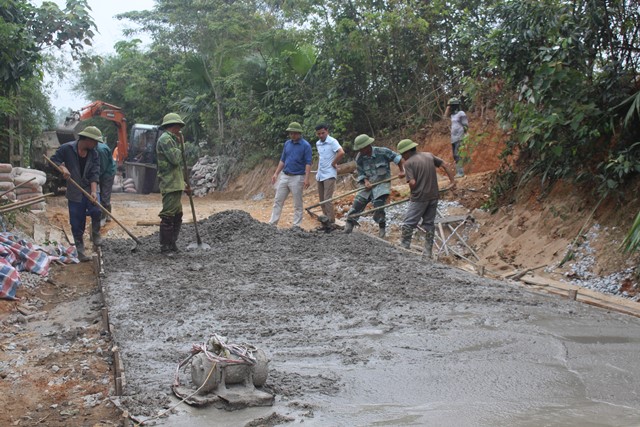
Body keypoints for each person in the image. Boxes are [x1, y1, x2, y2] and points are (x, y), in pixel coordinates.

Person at [50, 126, 103, 262]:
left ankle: (96, 234)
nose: (96, 144)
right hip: (74, 189)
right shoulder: (66, 149)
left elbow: (94, 173)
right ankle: (80, 250)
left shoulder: (94, 153)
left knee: (96, 209)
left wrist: (93, 191)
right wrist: (62, 168)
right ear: (87, 139)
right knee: (77, 221)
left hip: (88, 187)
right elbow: (53, 161)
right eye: (95, 141)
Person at [397, 139, 456, 257]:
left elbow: (412, 183)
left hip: (419, 197)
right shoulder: (428, 156)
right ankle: (428, 251)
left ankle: (404, 246)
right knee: (429, 223)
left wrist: (410, 187)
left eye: (402, 154)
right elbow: (445, 164)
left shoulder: (408, 164)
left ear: (407, 152)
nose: (402, 156)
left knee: (408, 223)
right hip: (433, 195)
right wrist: (452, 181)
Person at [344, 134, 405, 238]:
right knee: (358, 202)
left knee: (378, 204)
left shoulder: (383, 151)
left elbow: (398, 159)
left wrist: (402, 170)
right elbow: (361, 172)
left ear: (367, 146)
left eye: (361, 148)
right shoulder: (359, 157)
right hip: (367, 184)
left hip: (382, 183)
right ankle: (349, 223)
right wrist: (366, 181)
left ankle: (382, 228)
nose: (360, 151)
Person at [268, 122, 313, 228]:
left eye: (294, 133)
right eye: (290, 133)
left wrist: (307, 178)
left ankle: (296, 225)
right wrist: (276, 173)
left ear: (299, 133)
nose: (292, 135)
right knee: (278, 200)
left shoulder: (305, 146)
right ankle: (272, 223)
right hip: (285, 175)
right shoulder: (287, 144)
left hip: (298, 177)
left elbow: (308, 163)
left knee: (297, 203)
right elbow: (283, 160)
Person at [156, 113, 188, 254]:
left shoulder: (172, 139)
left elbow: (178, 165)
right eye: (178, 127)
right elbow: (175, 159)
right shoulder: (165, 139)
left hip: (176, 182)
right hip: (169, 183)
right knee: (168, 215)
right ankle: (165, 246)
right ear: (173, 126)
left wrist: (184, 183)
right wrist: (182, 145)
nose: (179, 130)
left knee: (178, 214)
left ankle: (172, 243)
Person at [314, 124, 344, 231]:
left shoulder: (332, 141)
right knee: (322, 200)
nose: (321, 135)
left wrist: (334, 163)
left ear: (327, 131)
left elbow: (341, 152)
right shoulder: (318, 143)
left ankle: (331, 222)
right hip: (321, 174)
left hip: (329, 174)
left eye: (323, 133)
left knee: (327, 199)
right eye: (319, 134)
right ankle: (325, 222)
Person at [445, 97, 468, 177]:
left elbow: (465, 125)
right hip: (453, 138)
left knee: (457, 154)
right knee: (455, 155)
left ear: (455, 106)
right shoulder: (452, 115)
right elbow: (445, 116)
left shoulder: (461, 113)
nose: (450, 107)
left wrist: (465, 136)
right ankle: (459, 172)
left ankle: (460, 173)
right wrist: (448, 107)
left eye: (451, 106)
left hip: (460, 137)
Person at [96, 141, 117, 227]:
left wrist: (94, 178)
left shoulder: (101, 150)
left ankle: (103, 218)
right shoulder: (94, 148)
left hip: (108, 173)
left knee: (105, 195)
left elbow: (103, 167)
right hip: (102, 172)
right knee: (102, 195)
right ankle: (108, 214)